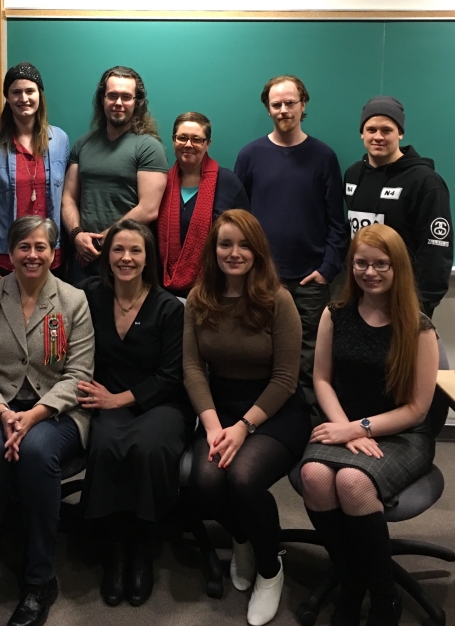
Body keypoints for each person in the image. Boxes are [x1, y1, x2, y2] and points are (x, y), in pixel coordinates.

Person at [300, 223, 438, 626]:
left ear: (398, 269)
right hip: (343, 422)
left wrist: (357, 429)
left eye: (381, 264)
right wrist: (343, 426)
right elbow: (321, 379)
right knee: (314, 475)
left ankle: (383, 596)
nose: (370, 272)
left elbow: (416, 409)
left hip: (401, 433)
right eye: (362, 263)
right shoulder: (334, 314)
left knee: (352, 483)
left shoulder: (419, 326)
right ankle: (351, 579)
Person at [0, 215, 94, 626]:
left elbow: (79, 375)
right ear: (11, 253)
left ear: (54, 254)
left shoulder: (73, 301)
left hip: (56, 409)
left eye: (41, 247)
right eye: (24, 247)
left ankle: (39, 579)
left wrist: (32, 416)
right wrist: (3, 414)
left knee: (36, 453)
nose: (32, 255)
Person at [184, 209, 310, 626]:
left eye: (243, 244)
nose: (233, 253)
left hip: (275, 410)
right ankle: (242, 538)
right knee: (203, 480)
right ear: (213, 249)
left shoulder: (278, 299)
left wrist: (243, 427)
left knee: (242, 478)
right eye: (225, 244)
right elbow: (191, 368)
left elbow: (286, 378)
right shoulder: (200, 295)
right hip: (221, 409)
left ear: (257, 250)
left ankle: (270, 568)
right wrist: (214, 423)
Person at [77, 219, 191, 608]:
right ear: (106, 258)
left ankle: (143, 549)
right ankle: (114, 550)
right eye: (118, 250)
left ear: (148, 258)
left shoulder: (168, 307)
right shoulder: (89, 294)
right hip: (105, 398)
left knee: (147, 448)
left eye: (135, 251)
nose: (126, 258)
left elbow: (172, 376)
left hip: (159, 402)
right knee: (106, 444)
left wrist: (119, 399)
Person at [234, 75, 345, 423]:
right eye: (276, 104)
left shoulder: (323, 156)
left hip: (309, 282)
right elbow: (239, 220)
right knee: (261, 355)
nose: (283, 110)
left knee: (311, 359)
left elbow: (337, 222)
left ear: (303, 105)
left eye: (290, 103)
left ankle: (310, 429)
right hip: (261, 280)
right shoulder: (250, 155)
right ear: (268, 108)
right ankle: (267, 425)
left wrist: (327, 269)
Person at [0, 62, 69, 296]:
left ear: (39, 95)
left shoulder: (60, 140)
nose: (24, 98)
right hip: (3, 259)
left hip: (51, 257)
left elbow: (66, 199)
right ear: (7, 98)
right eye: (16, 92)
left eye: (30, 91)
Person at [344, 96, 452, 317]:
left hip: (406, 304)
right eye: (371, 129)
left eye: (387, 130)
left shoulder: (425, 182)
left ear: (400, 133)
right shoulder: (353, 175)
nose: (378, 137)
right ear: (362, 133)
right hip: (361, 297)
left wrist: (421, 306)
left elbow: (435, 251)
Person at [62, 66, 169, 280]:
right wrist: (77, 235)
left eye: (126, 97)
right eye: (112, 96)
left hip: (128, 258)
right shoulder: (83, 144)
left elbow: (148, 209)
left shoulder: (149, 147)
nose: (118, 103)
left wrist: (103, 241)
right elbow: (68, 198)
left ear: (137, 102)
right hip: (82, 257)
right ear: (102, 99)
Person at [157, 111, 250, 297]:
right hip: (164, 292)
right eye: (182, 138)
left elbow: (247, 237)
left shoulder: (228, 183)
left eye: (197, 139)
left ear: (208, 143)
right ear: (173, 140)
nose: (188, 145)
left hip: (216, 289)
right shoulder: (160, 183)